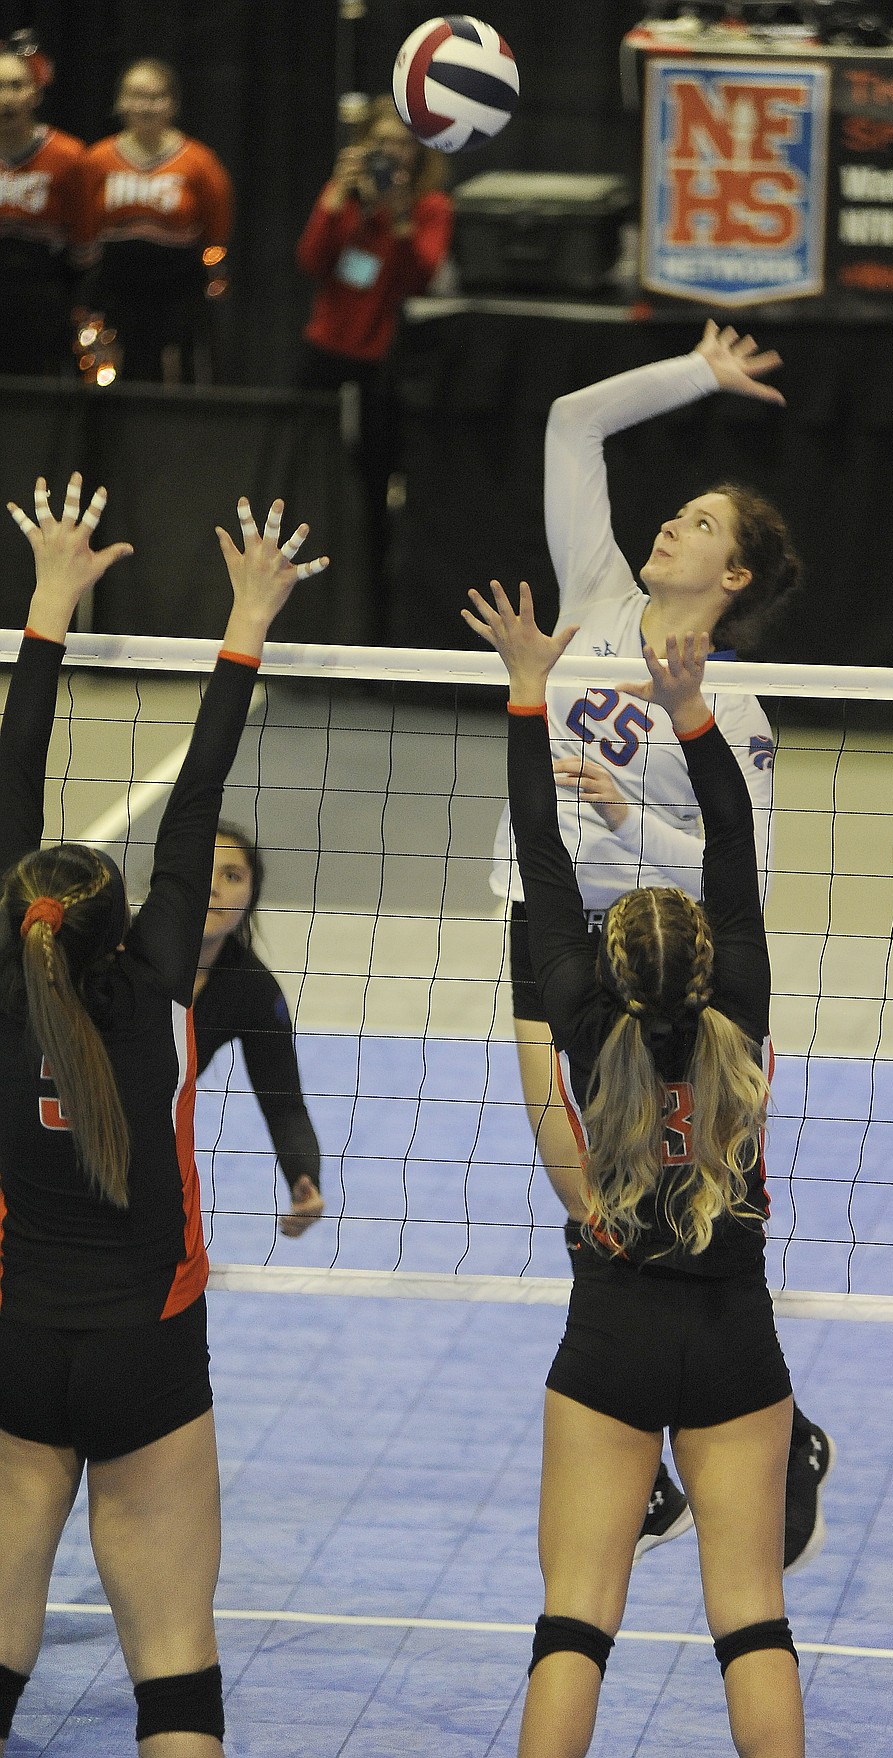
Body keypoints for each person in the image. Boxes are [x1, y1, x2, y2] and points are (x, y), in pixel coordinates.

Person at [491, 320, 834, 1566]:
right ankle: (639, 1425)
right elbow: (572, 422)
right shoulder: (592, 602)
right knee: (571, 1181)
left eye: (700, 524)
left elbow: (741, 878)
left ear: (733, 576)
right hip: (544, 921)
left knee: (696, 1194)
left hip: (665, 969)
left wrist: (632, 822)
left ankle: (770, 1421)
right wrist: (698, 374)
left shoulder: (730, 705)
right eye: (677, 512)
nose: (671, 528)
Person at [0, 474, 325, 1756]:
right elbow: (202, 799)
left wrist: (47, 602)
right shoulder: (168, 1004)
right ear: (127, 917)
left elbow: (11, 777)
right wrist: (247, 618)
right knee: (175, 1674)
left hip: (19, 1346)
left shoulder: (8, 998)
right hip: (149, 1354)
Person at [464, 580, 804, 1758]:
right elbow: (737, 845)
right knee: (753, 1621)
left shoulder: (575, 1009)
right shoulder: (743, 1005)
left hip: (608, 1334)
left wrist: (526, 690)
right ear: (714, 967)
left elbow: (544, 863)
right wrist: (692, 711)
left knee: (575, 1625)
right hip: (735, 1339)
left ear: (607, 967)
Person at [296, 96, 453, 615]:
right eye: (382, 143)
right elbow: (312, 259)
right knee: (310, 469)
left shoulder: (430, 205)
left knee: (373, 480)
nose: (393, 155)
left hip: (383, 359)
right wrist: (338, 197)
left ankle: (369, 601)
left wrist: (401, 215)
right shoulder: (346, 193)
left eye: (403, 145)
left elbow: (421, 277)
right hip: (327, 348)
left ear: (419, 152)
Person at [194, 823, 324, 1238]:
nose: (213, 888)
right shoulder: (115, 950)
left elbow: (284, 1104)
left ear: (250, 897)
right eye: (200, 869)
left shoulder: (252, 990)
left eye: (231, 876)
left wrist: (303, 1176)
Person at [78, 58, 233, 383]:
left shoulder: (200, 162)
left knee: (176, 377)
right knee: (114, 377)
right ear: (120, 101)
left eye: (156, 96)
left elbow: (217, 227)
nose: (146, 106)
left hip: (178, 290)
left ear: (173, 103)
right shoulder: (97, 160)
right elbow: (83, 224)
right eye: (136, 95)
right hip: (116, 288)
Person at [0, 36, 84, 376]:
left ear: (35, 93)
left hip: (42, 302)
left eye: (16, 86)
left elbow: (83, 243)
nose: (5, 98)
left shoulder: (69, 157)